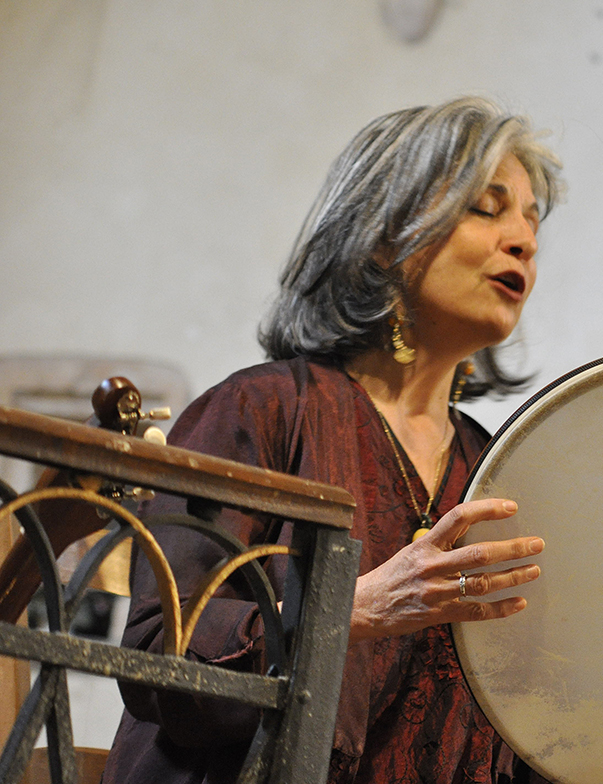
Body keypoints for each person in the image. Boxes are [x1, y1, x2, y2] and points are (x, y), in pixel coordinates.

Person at [102, 97, 563, 784]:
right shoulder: (261, 410)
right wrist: (354, 612)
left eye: (532, 219)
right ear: (383, 238)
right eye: (486, 209)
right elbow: (157, 658)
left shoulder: (496, 466)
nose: (524, 240)